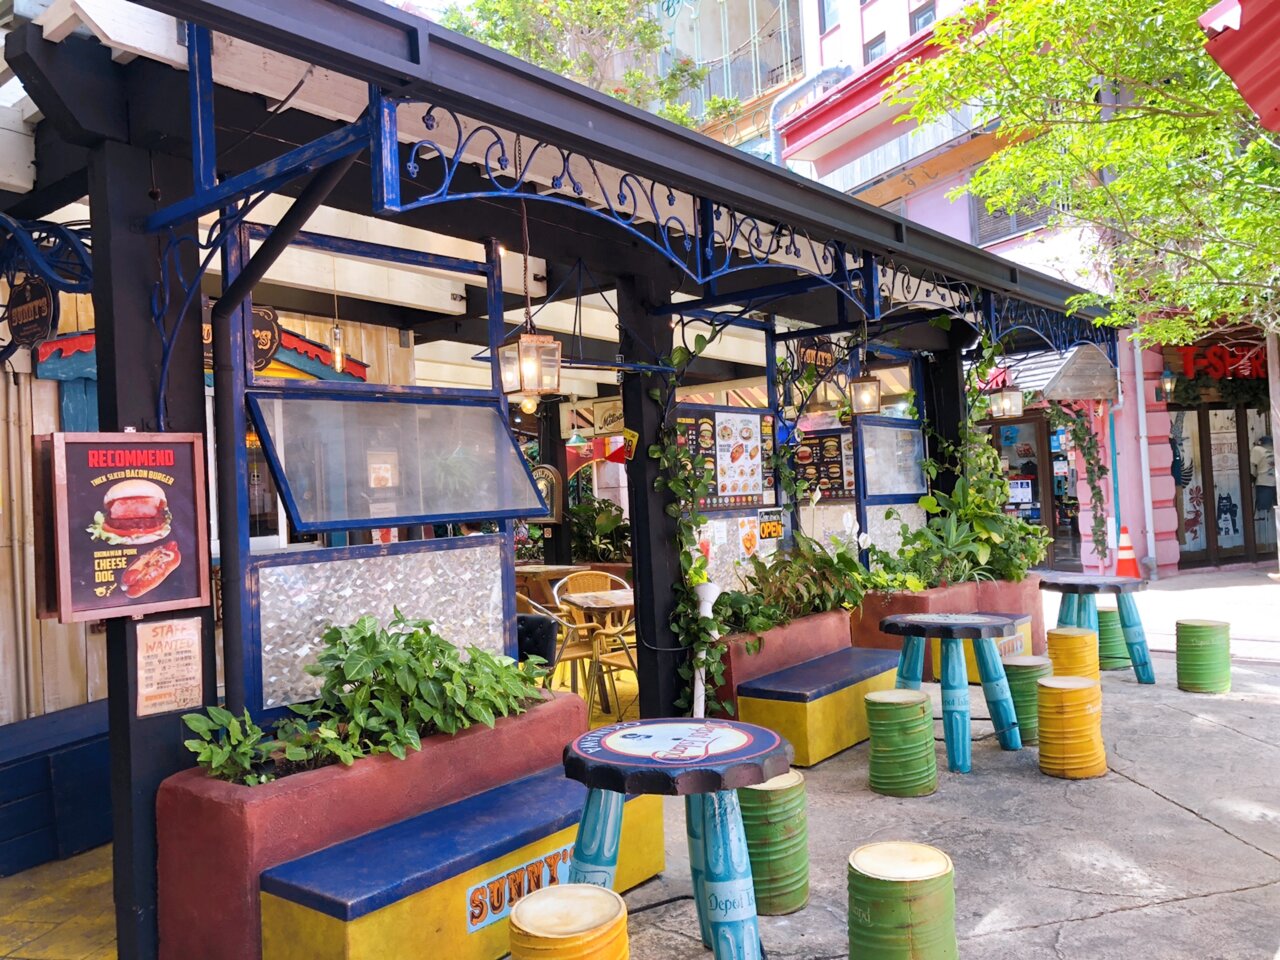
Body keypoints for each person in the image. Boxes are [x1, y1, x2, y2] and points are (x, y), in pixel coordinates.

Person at [1251, 434, 1275, 514]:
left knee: (1264, 510)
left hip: (1264, 482)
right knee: (1265, 510)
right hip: (1267, 482)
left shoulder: (1257, 450)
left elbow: (1252, 465)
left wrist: (1252, 477)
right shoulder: (1259, 450)